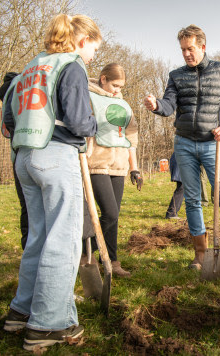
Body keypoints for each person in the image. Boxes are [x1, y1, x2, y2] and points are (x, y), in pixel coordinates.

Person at [1, 14, 101, 350]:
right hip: (56, 155)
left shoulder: (34, 65)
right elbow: (76, 118)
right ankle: (48, 324)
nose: (91, 57)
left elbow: (8, 115)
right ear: (82, 41)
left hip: (25, 157)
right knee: (63, 240)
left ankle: (21, 312)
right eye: (92, 49)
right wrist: (92, 127)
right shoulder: (71, 64)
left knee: (39, 238)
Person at [143, 24, 220, 274]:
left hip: (212, 144)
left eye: (191, 48)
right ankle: (200, 255)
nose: (186, 53)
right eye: (183, 49)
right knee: (193, 200)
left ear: (203, 47)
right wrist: (155, 105)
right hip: (184, 143)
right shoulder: (176, 75)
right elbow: (168, 105)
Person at [82, 63, 142, 278]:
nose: (117, 90)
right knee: (110, 212)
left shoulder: (123, 104)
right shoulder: (87, 97)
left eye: (121, 86)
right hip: (96, 164)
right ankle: (86, 254)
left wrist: (134, 168)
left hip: (119, 166)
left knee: (113, 217)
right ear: (103, 78)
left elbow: (131, 138)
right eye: (115, 85)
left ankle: (112, 262)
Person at [0, 72, 28, 250]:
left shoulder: (11, 93)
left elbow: (8, 123)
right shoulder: (22, 88)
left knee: (26, 206)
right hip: (35, 154)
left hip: (17, 155)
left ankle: (28, 251)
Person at [166, 152, 184, 219]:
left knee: (182, 188)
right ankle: (171, 213)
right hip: (181, 162)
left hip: (181, 161)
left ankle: (172, 212)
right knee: (181, 188)